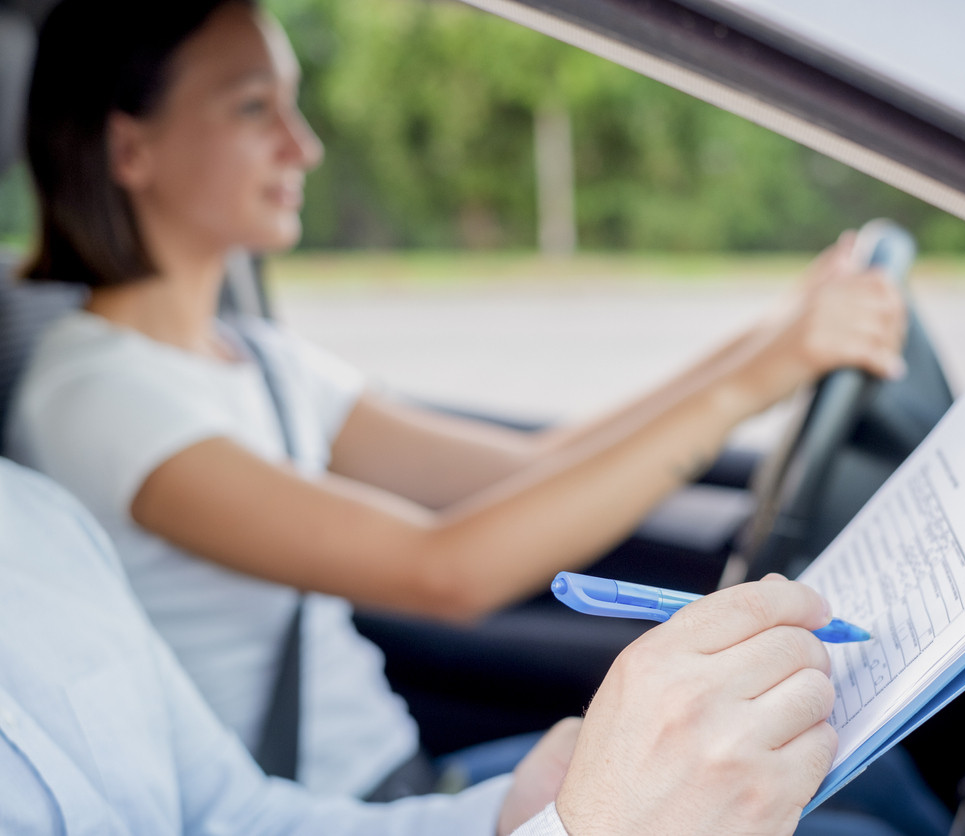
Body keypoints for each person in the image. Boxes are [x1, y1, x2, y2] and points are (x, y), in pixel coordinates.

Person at [6, 0, 910, 807]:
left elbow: (531, 468)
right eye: (254, 108)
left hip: (408, 784)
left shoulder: (260, 359)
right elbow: (446, 571)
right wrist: (759, 375)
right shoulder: (94, 396)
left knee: (853, 783)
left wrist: (771, 344)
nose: (303, 145)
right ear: (131, 149)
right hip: (336, 807)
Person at [0, 454, 871, 836]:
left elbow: (236, 821)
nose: (300, 147)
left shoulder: (32, 518)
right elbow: (441, 567)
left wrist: (500, 817)